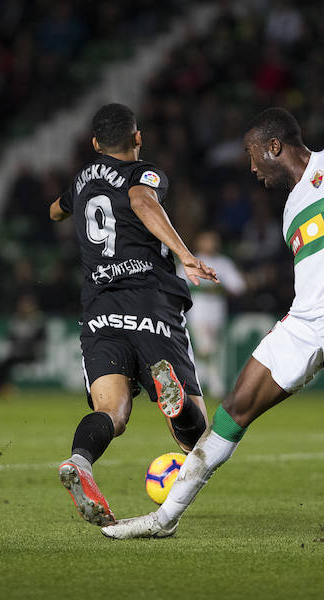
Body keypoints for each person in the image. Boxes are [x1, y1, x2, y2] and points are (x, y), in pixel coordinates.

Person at [101, 107, 324, 546]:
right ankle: (165, 516)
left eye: (253, 155)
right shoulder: (290, 210)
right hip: (306, 318)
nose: (252, 168)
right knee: (236, 405)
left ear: (274, 146)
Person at [48, 103, 219, 526]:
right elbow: (142, 200)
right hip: (151, 303)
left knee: (112, 411)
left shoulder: (81, 180)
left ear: (94, 144)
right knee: (199, 441)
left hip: (100, 311)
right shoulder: (145, 173)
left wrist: (68, 205)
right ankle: (174, 404)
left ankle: (80, 462)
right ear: (137, 138)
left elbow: (55, 210)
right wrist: (186, 254)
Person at [177, 231, 246, 396]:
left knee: (212, 350)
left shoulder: (223, 263)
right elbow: (178, 285)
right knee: (204, 347)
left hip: (217, 312)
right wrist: (206, 288)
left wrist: (219, 288)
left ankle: (201, 381)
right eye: (206, 239)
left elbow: (239, 286)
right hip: (197, 311)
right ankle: (212, 385)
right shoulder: (191, 260)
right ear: (199, 242)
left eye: (212, 240)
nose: (210, 243)